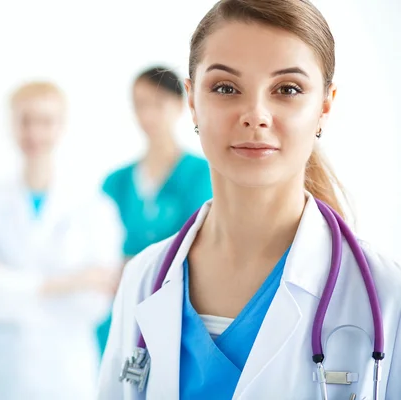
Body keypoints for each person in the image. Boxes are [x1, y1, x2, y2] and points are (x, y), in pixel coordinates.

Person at [97, 0, 401, 398]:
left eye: (287, 89)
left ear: (324, 106)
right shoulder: (145, 279)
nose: (255, 114)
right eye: (226, 88)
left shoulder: (383, 294)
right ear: (192, 101)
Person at [0, 81, 124, 400]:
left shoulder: (94, 207)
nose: (34, 132)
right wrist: (68, 282)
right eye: (25, 120)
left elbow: (94, 302)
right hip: (0, 373)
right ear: (11, 125)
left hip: (65, 374)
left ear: (61, 126)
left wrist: (8, 282)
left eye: (45, 121)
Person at [95, 67, 213, 355]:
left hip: (175, 308)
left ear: (180, 105)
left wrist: (130, 266)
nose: (147, 115)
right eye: (140, 105)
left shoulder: (201, 174)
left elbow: (200, 245)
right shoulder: (116, 181)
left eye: (157, 104)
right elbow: (98, 248)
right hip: (117, 310)